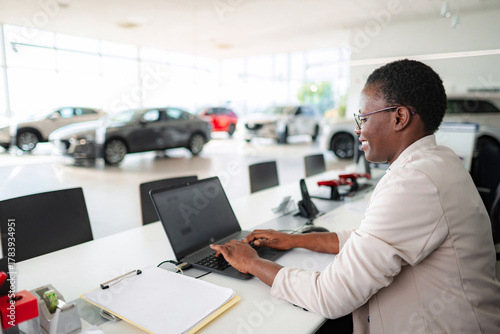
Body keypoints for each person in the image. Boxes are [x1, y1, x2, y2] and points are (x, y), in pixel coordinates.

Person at [211, 59, 500, 333]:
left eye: (363, 117)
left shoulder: (415, 181)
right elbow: (370, 239)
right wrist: (293, 239)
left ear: (399, 117)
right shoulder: (437, 161)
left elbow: (329, 297)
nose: (357, 129)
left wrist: (251, 262)